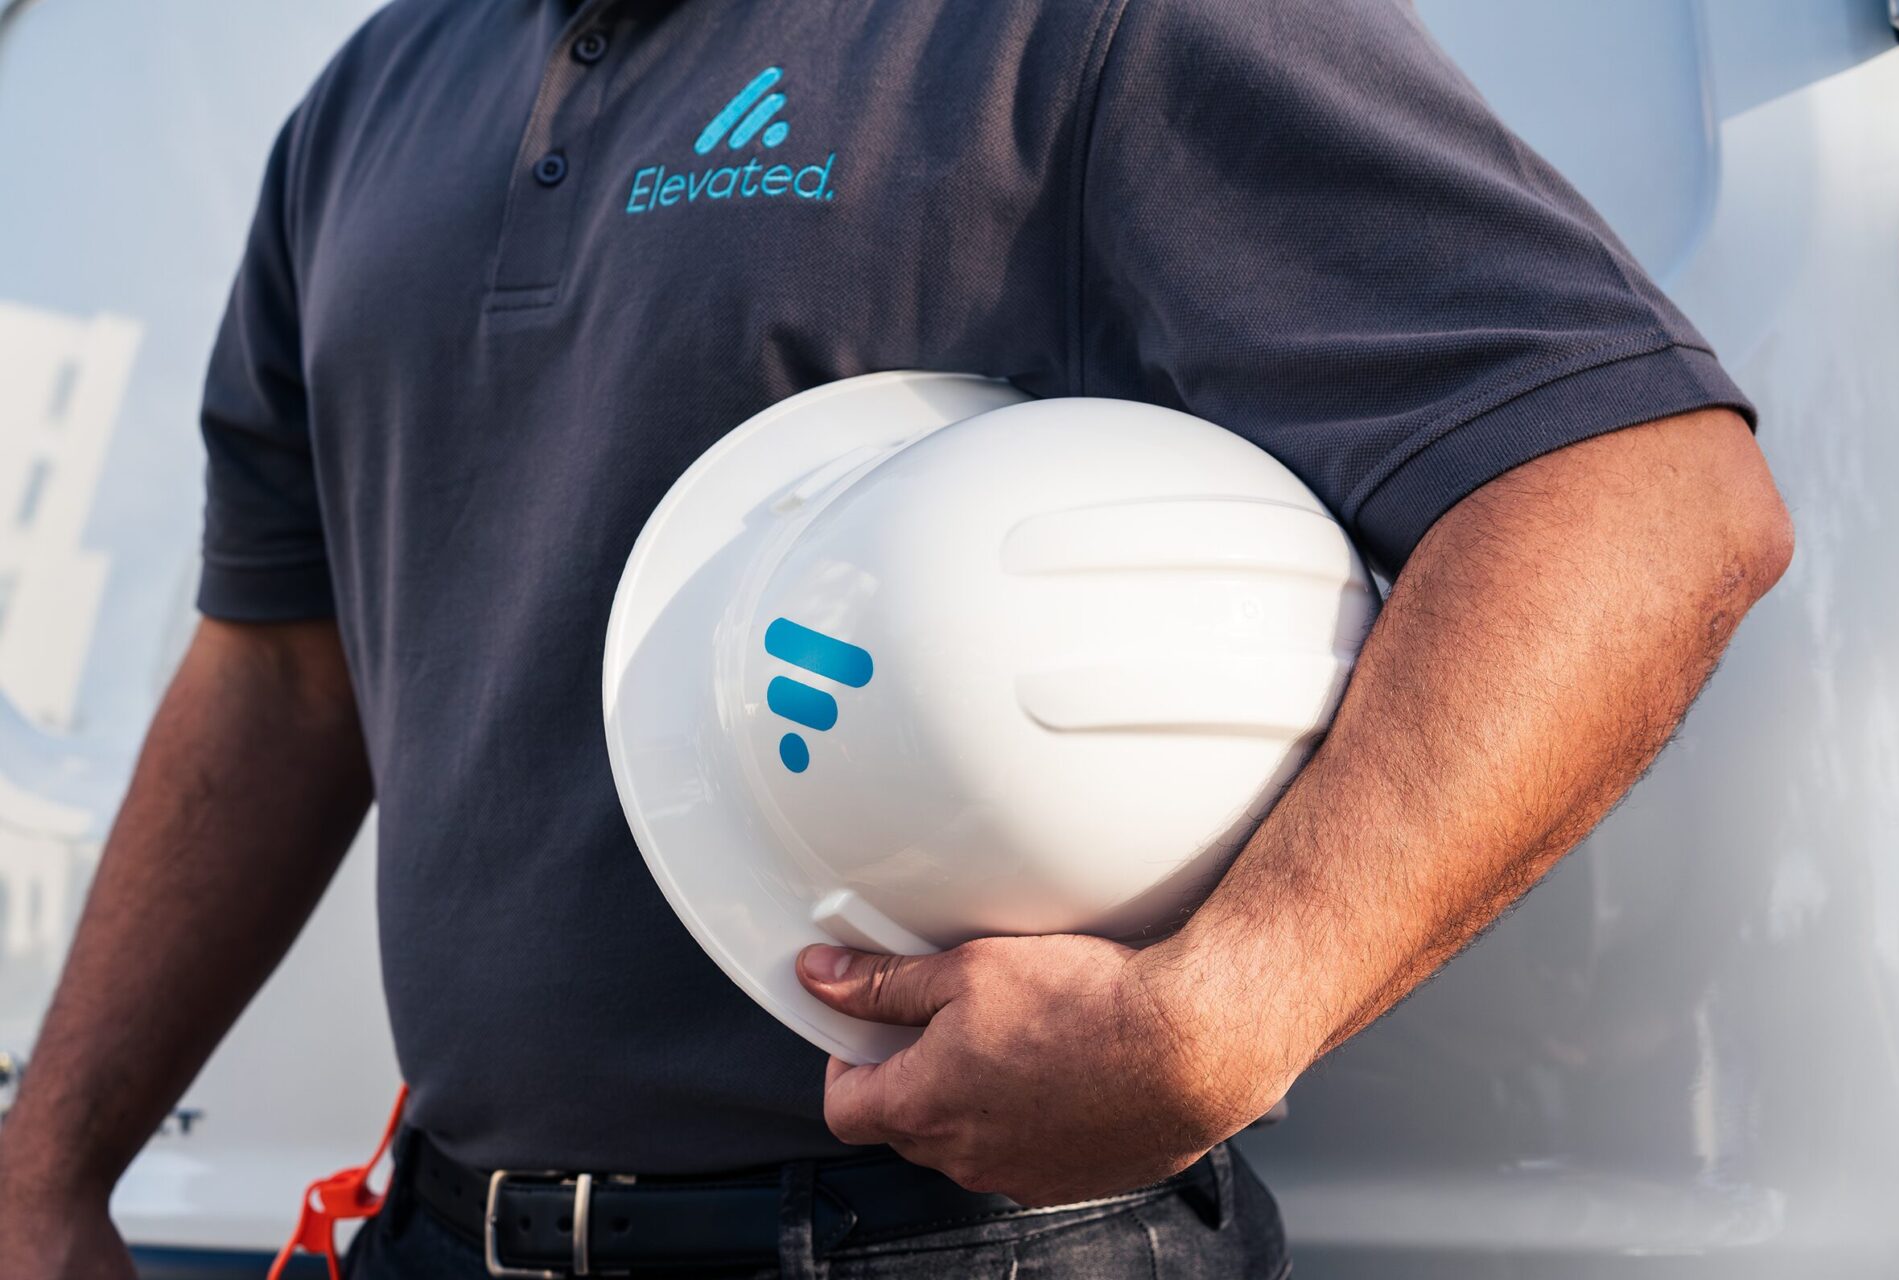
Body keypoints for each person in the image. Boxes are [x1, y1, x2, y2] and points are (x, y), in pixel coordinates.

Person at [0, 0, 1793, 1276]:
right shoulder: (369, 100)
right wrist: (49, 1172)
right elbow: (280, 672)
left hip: (957, 1246)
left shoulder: (1094, 28)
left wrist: (1235, 1007)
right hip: (446, 1230)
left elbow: (1644, 499)